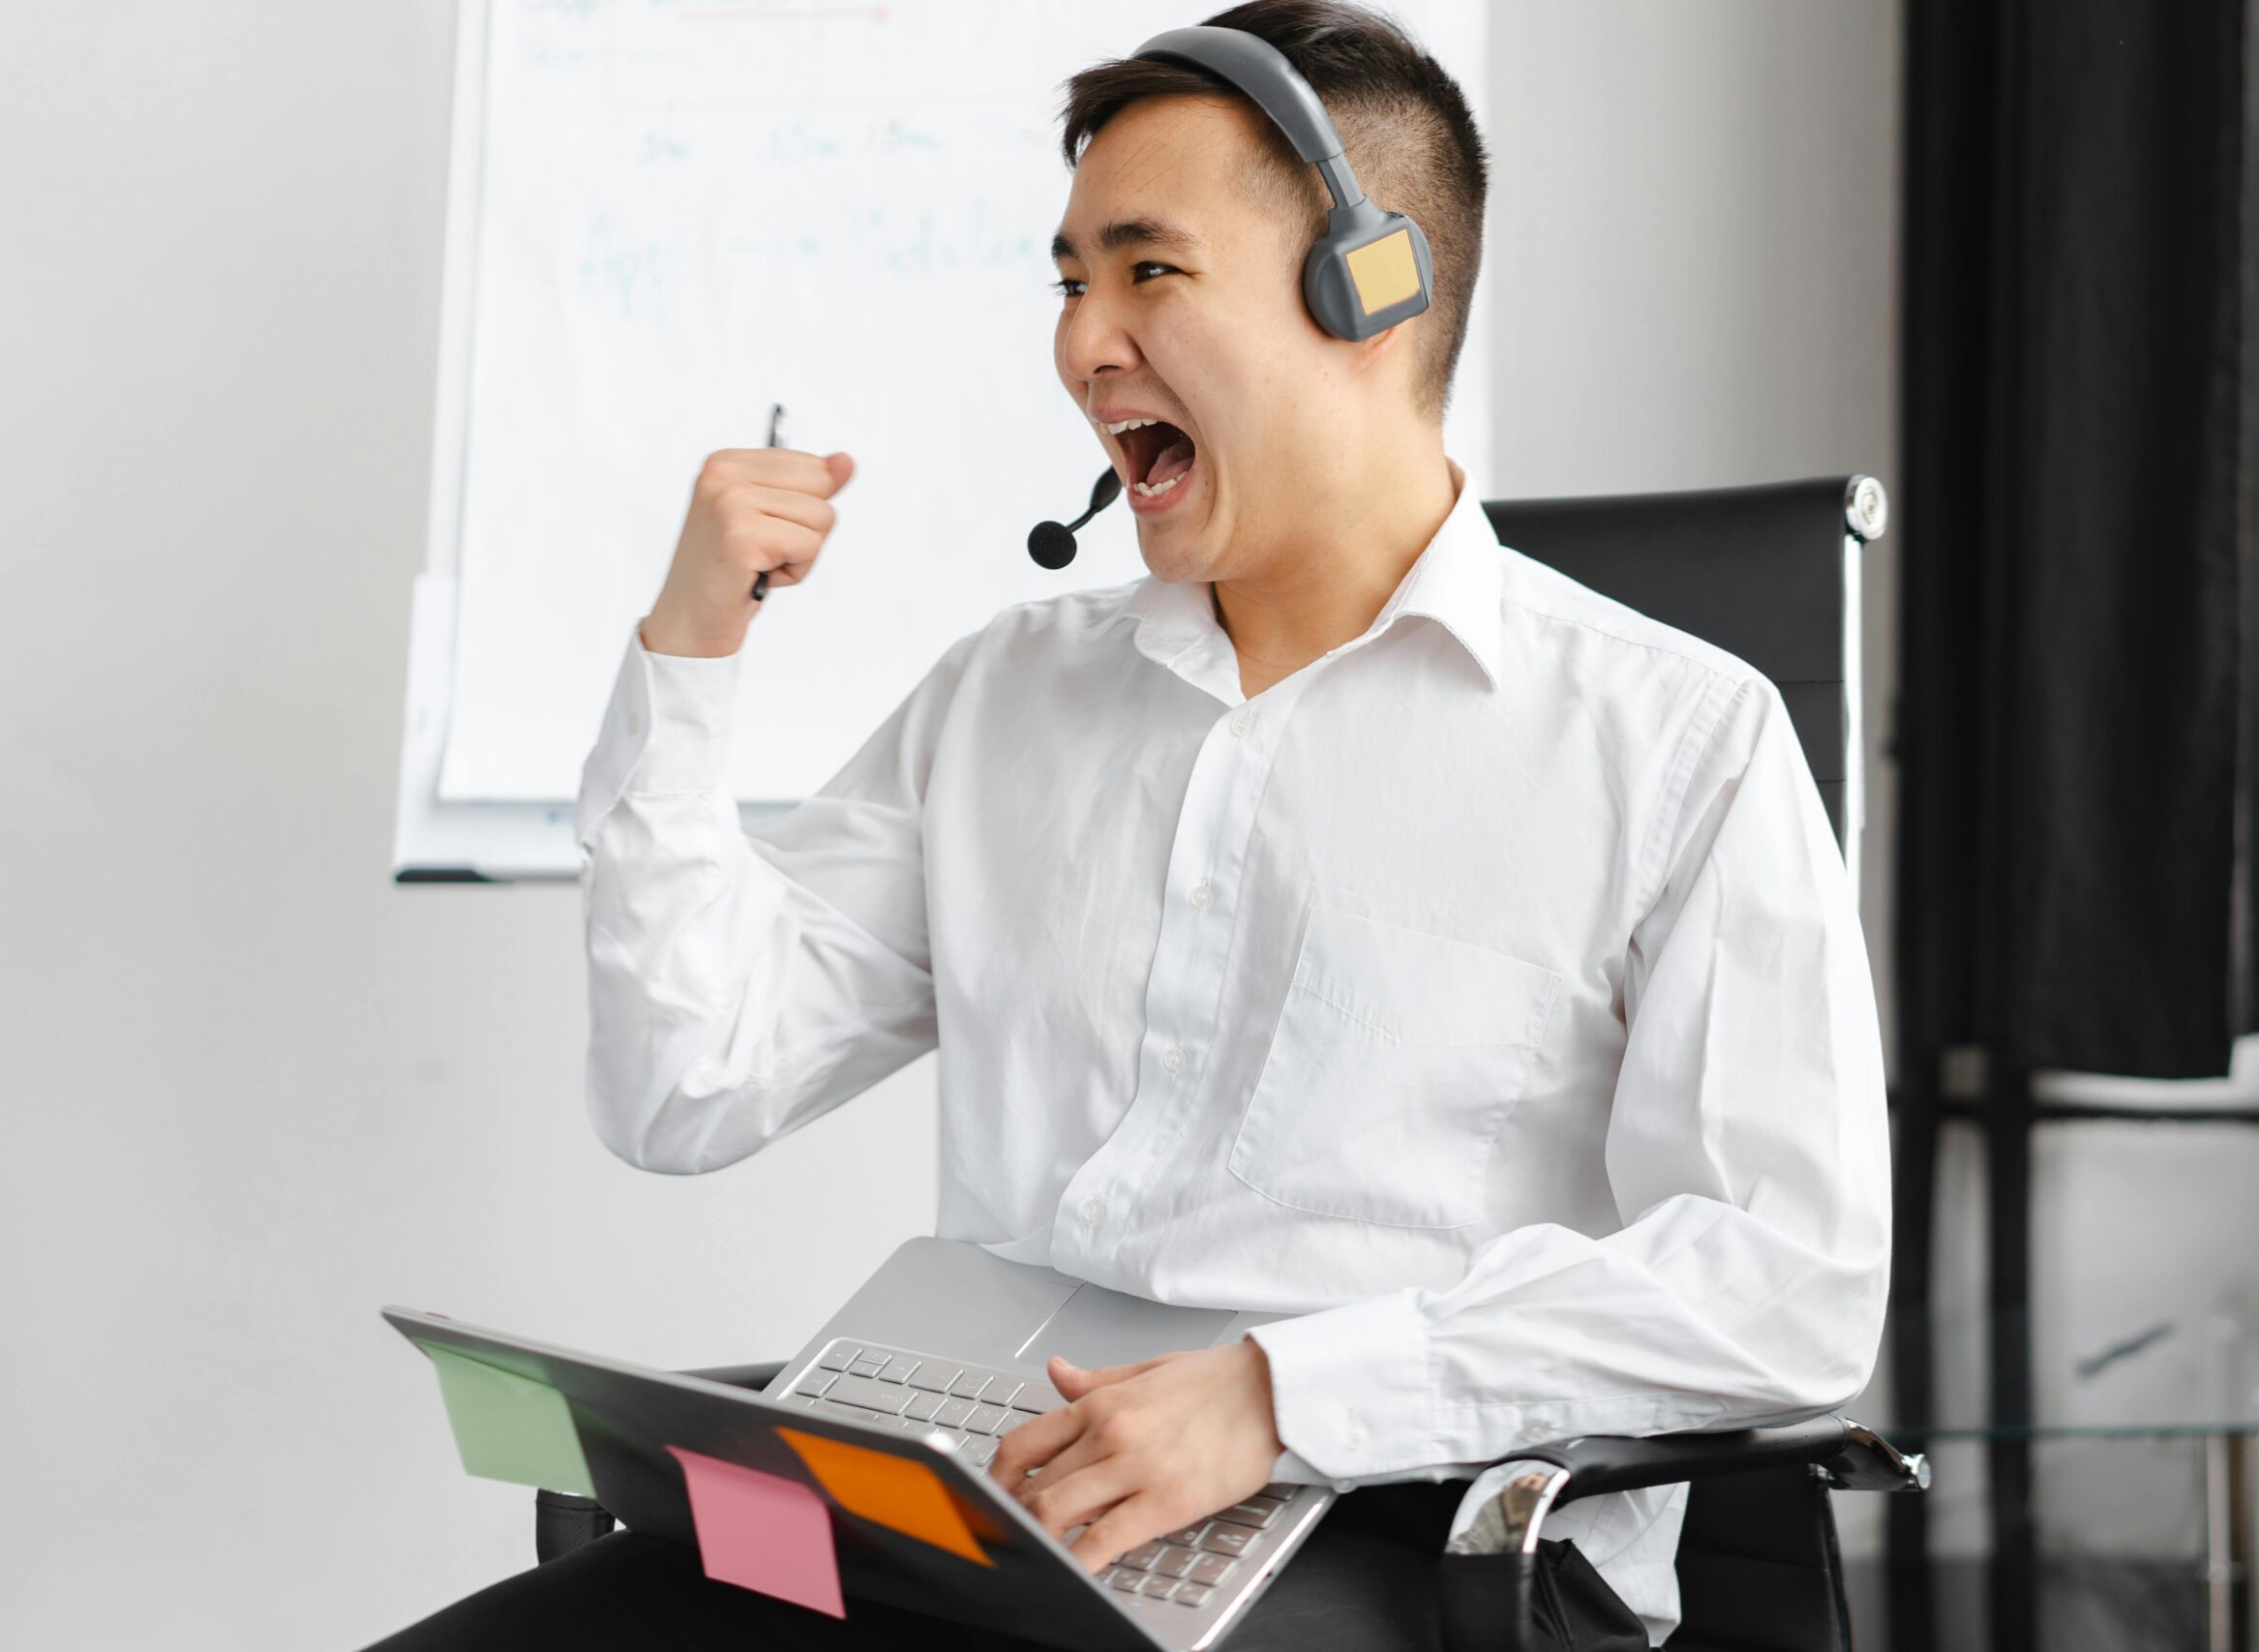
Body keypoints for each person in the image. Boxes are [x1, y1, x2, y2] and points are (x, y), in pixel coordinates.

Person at [365, 2, 1889, 1646]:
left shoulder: (1673, 741)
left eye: (1146, 271)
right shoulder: (1008, 695)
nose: (1083, 344)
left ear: (1369, 290)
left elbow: (1789, 1284)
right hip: (976, 1503)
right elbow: (685, 1088)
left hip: (1407, 1537)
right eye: (1069, 280)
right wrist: (690, 655)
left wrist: (1281, 1392)